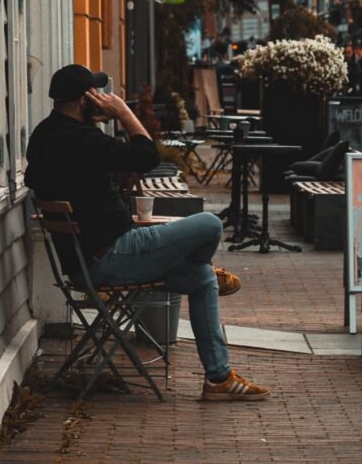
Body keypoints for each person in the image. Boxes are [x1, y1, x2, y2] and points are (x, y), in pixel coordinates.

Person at [25, 63, 269, 401]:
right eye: (99, 95)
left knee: (201, 280)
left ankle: (218, 378)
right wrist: (123, 112)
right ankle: (204, 272)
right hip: (114, 254)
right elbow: (147, 156)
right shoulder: (83, 141)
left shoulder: (43, 136)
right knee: (210, 224)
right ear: (85, 100)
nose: (106, 99)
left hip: (86, 261)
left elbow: (37, 179)